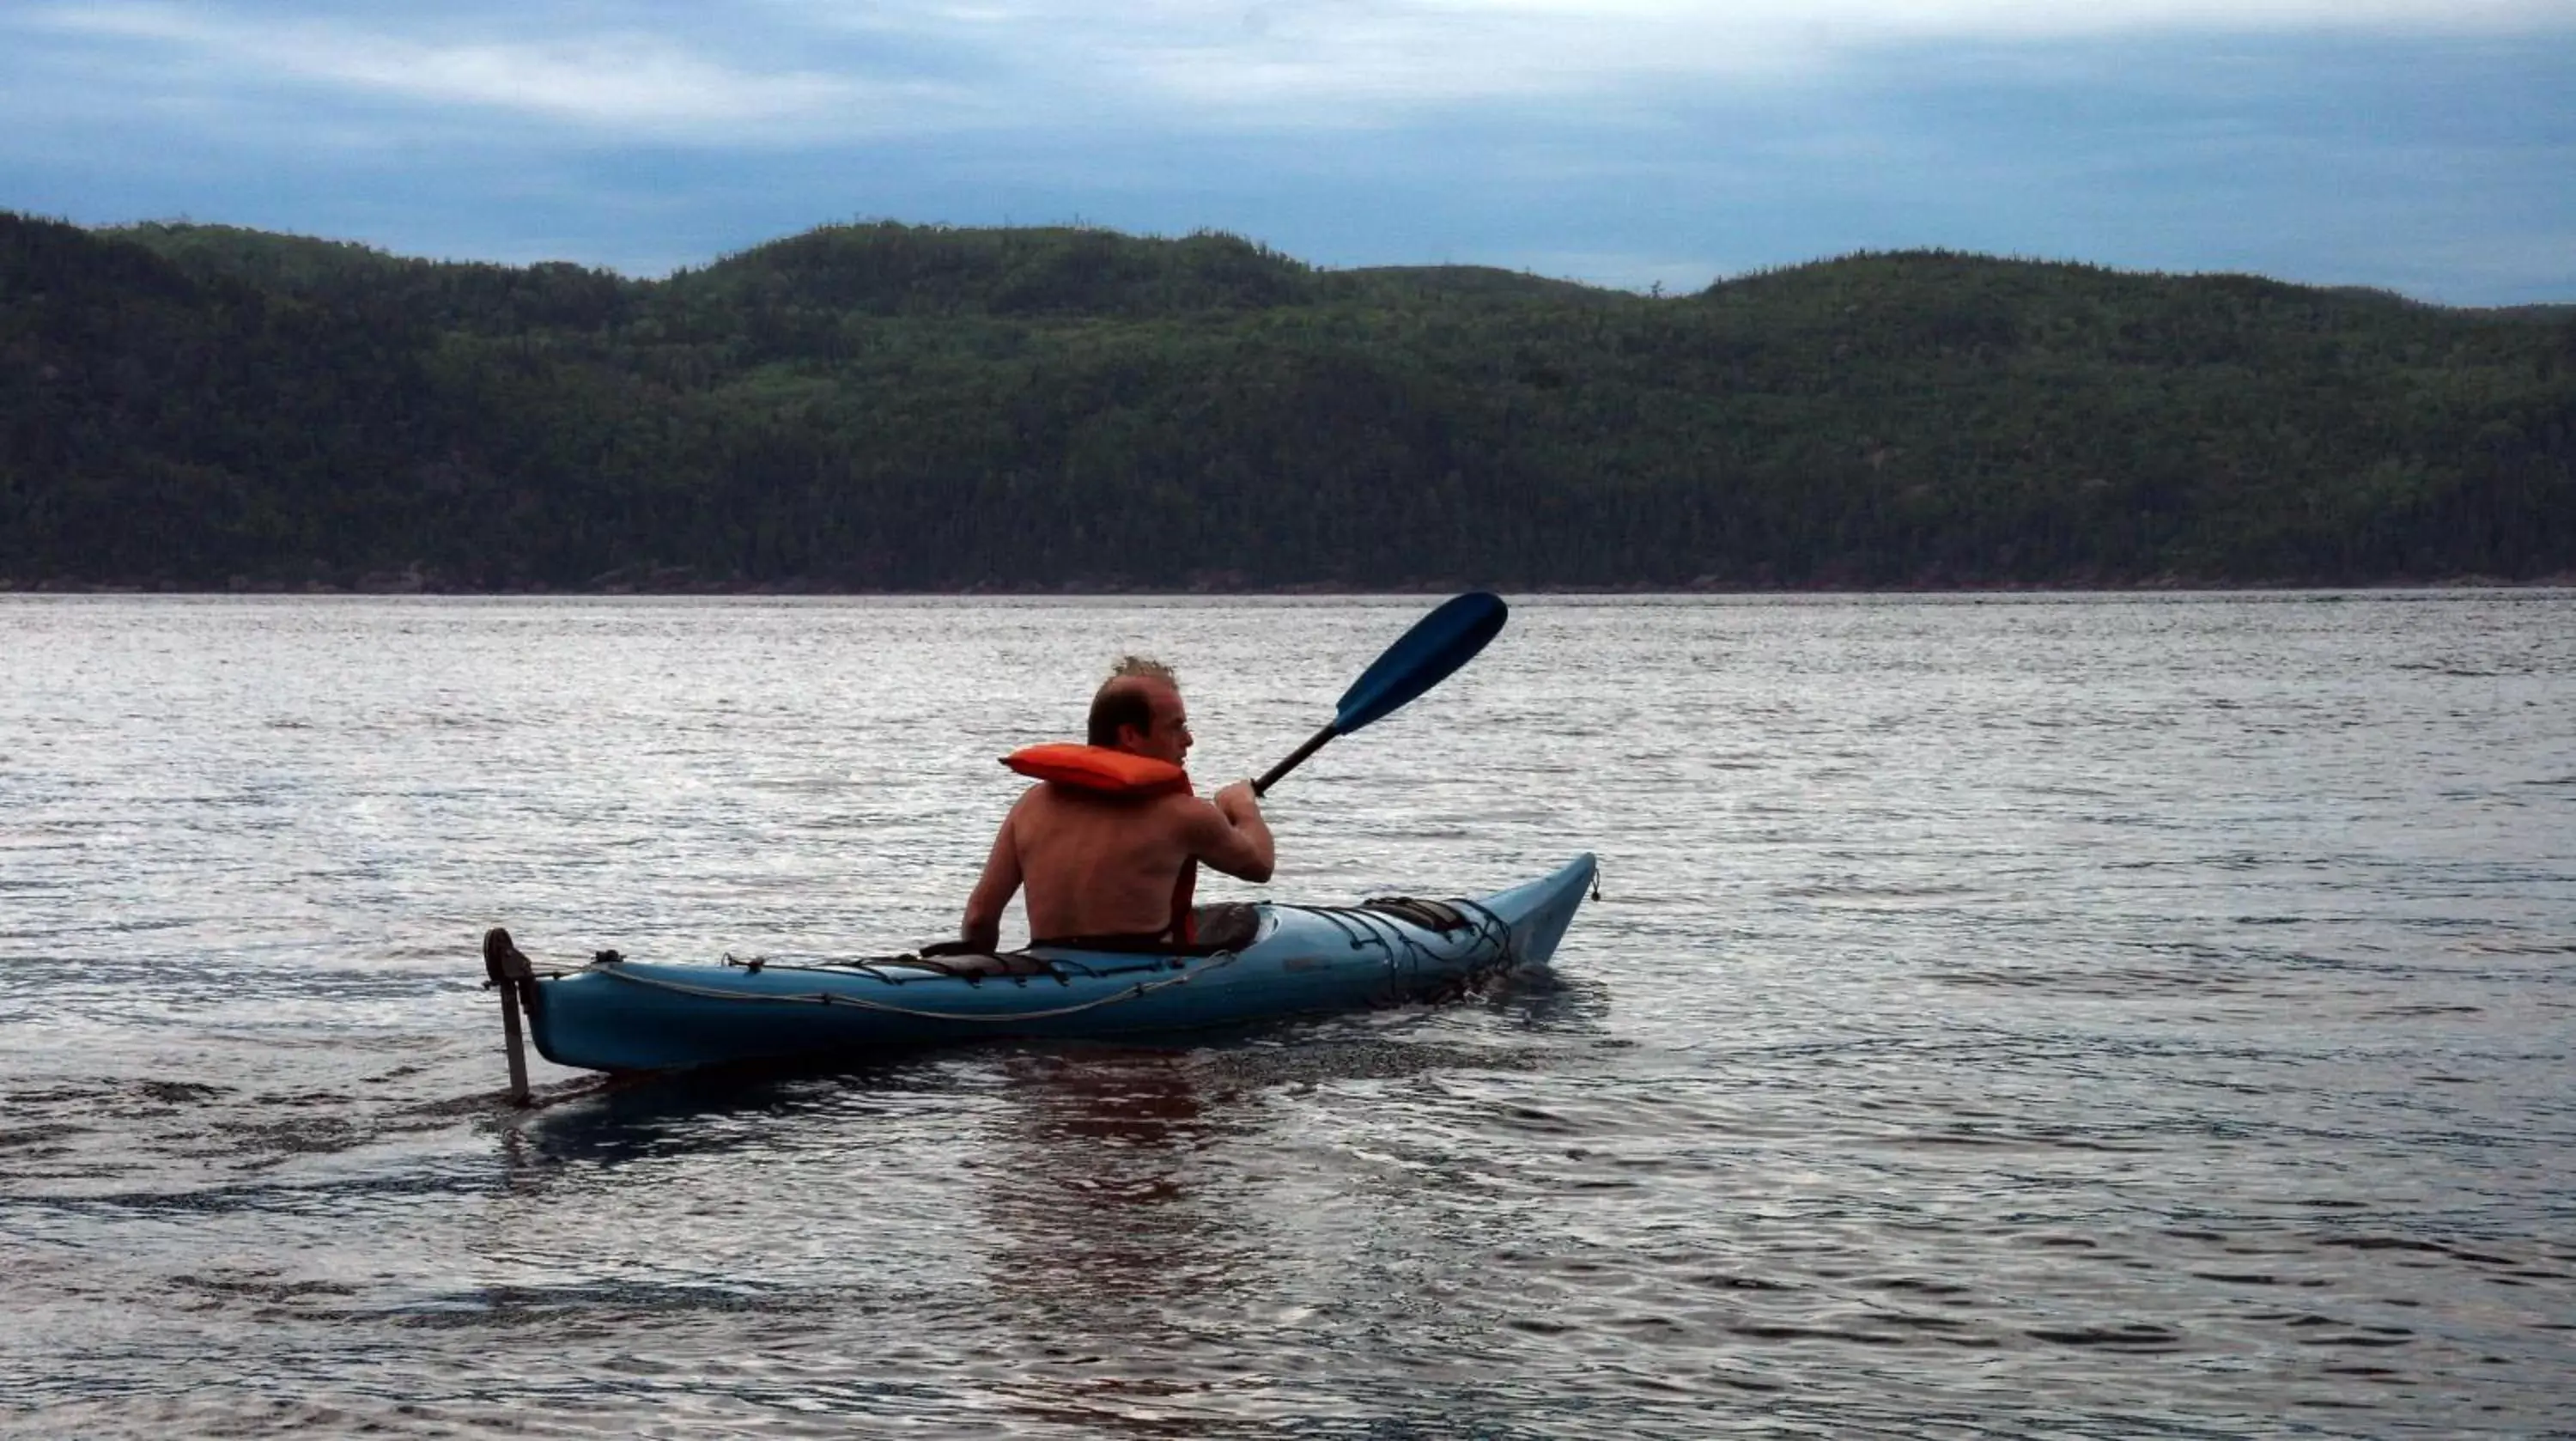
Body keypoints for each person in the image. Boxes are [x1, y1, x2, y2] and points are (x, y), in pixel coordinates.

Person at [961, 658, 1273, 952]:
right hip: (1140, 987)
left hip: (1049, 971)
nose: (1188, 739)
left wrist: (979, 980)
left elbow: (979, 918)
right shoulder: (1185, 815)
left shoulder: (1031, 805)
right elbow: (1259, 866)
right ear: (1130, 735)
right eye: (1176, 726)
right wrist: (1242, 805)